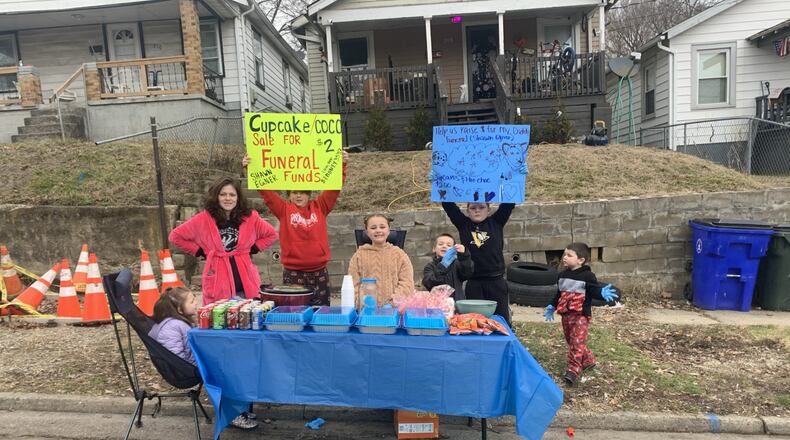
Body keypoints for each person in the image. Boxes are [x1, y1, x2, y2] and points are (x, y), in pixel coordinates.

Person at [243, 151, 348, 306]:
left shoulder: (321, 206)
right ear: (289, 195)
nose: (298, 196)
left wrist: (342, 165)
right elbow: (266, 193)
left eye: (303, 192)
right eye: (294, 192)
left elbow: (334, 188)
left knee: (321, 312)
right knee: (294, 312)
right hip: (293, 273)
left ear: (309, 194)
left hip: (319, 272)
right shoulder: (283, 209)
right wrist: (250, 169)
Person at [148, 287, 258, 429]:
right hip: (184, 372)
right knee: (226, 370)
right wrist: (207, 363)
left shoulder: (178, 322)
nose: (196, 303)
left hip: (191, 364)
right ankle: (232, 415)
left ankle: (236, 408)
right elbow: (176, 360)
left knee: (230, 362)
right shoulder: (172, 327)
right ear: (180, 310)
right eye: (192, 301)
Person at [170, 178, 278, 305]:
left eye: (232, 195)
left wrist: (255, 247)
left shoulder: (250, 217)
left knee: (248, 316)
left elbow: (272, 234)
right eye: (223, 194)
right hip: (218, 284)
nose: (228, 198)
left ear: (238, 198)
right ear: (216, 197)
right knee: (219, 319)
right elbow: (175, 236)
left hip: (245, 283)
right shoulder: (203, 219)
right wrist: (199, 251)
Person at [543, 243, 618, 387]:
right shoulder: (562, 276)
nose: (565, 258)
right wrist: (552, 306)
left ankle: (573, 370)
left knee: (577, 342)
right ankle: (588, 360)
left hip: (581, 316)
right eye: (564, 254)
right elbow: (559, 294)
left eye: (569, 255)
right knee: (572, 341)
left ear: (581, 260)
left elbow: (594, 290)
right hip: (566, 315)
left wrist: (601, 293)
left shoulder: (587, 276)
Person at [440, 201, 515, 325]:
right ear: (468, 211)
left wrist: (512, 183)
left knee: (501, 321)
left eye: (481, 207)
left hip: (496, 281)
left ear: (488, 210)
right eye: (473, 208)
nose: (477, 210)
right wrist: (441, 188)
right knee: (474, 321)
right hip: (473, 282)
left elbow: (508, 203)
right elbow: (449, 207)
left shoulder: (496, 222)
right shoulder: (463, 225)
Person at [348, 214, 414, 309]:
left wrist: (393, 303)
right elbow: (353, 285)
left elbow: (407, 284)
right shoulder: (358, 256)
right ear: (367, 232)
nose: (378, 230)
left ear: (388, 230)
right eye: (373, 227)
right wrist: (361, 304)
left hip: (394, 312)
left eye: (382, 227)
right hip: (366, 312)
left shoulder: (400, 255)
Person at [422, 233, 473, 300]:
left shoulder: (457, 264)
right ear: (434, 249)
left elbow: (467, 273)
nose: (444, 246)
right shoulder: (430, 266)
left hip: (456, 303)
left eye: (449, 245)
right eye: (440, 244)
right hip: (438, 304)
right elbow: (429, 283)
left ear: (454, 250)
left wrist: (464, 256)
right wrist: (443, 266)